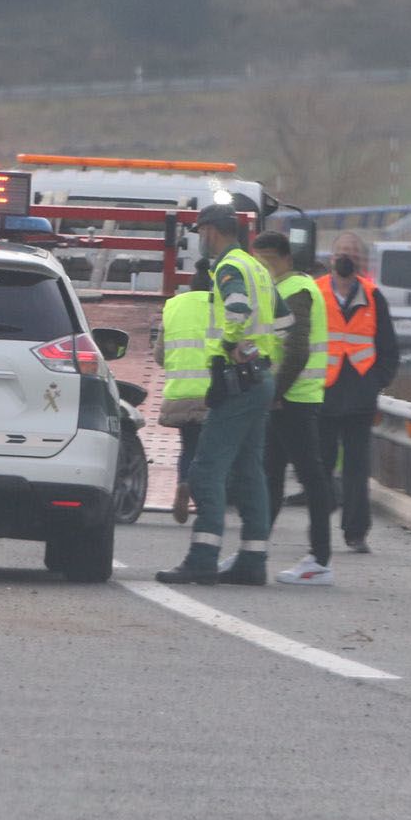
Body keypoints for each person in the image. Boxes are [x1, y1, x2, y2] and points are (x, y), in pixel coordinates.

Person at [157, 204, 279, 587]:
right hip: (260, 377)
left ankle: (202, 558)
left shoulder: (227, 267)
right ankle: (252, 560)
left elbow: (238, 309)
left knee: (206, 470)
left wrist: (229, 346)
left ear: (212, 230)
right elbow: (285, 319)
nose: (200, 240)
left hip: (236, 378)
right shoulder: (258, 266)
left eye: (200, 233)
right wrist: (261, 353)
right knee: (248, 471)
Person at [251, 230, 334, 586]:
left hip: (294, 398)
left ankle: (319, 559)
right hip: (287, 397)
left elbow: (298, 351)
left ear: (283, 258)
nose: (261, 269)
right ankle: (254, 550)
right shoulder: (283, 289)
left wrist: (275, 392)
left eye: (265, 262)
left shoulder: (296, 290)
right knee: (270, 476)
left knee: (309, 478)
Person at [317, 230, 398, 554]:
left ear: (360, 260)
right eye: (340, 252)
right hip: (322, 392)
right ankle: (318, 528)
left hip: (359, 397)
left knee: (357, 469)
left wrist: (375, 382)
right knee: (319, 467)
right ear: (331, 257)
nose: (345, 257)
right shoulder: (316, 291)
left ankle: (355, 532)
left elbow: (388, 348)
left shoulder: (373, 296)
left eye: (351, 252)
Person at [154, 258, 214, 525]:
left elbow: (159, 356)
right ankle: (204, 502)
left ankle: (183, 483)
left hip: (180, 392)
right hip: (213, 394)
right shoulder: (221, 306)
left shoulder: (173, 306)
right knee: (211, 451)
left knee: (188, 446)